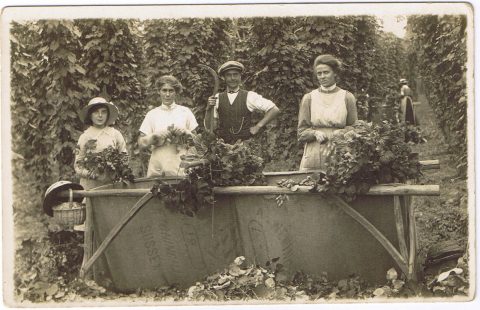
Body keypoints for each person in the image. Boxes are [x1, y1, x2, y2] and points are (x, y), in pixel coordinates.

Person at [297, 54, 358, 171]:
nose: (322, 76)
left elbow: (355, 127)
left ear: (335, 73)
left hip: (340, 151)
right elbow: (301, 133)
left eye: (326, 72)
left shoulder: (347, 97)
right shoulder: (309, 98)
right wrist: (314, 133)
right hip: (314, 153)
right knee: (310, 185)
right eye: (319, 74)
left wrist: (341, 133)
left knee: (339, 185)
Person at [205, 60, 280, 144]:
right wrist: (208, 109)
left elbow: (274, 109)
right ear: (224, 78)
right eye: (229, 75)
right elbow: (210, 127)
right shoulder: (217, 98)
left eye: (235, 74)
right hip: (223, 147)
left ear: (240, 76)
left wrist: (258, 126)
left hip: (244, 147)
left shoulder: (250, 96)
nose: (232, 78)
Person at [138, 75, 198, 177]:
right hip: (158, 166)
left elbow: (197, 142)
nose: (167, 94)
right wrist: (154, 136)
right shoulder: (152, 114)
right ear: (159, 91)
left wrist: (185, 132)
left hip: (181, 165)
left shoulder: (185, 112)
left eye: (171, 91)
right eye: (164, 90)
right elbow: (141, 143)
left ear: (176, 92)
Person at [75, 97, 127, 190]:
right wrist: (91, 174)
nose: (100, 115)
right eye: (96, 112)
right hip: (91, 185)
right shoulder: (85, 137)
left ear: (108, 115)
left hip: (111, 184)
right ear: (90, 115)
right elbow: (78, 165)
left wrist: (118, 169)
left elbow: (124, 156)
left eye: (103, 112)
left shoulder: (115, 134)